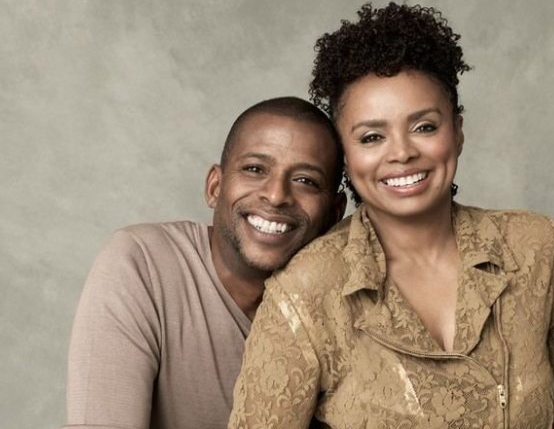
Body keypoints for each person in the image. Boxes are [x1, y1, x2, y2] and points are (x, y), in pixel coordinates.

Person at [229, 3, 554, 428]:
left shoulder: (539, 247)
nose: (402, 152)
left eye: (424, 126)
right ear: (346, 157)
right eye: (372, 136)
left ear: (457, 131)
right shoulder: (304, 294)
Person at [62, 96, 347, 429]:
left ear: (335, 214)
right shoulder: (142, 264)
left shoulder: (345, 310)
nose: (276, 195)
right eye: (255, 169)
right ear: (215, 186)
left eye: (306, 181)